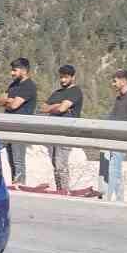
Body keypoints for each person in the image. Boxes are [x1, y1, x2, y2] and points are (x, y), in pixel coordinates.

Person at [41, 64, 83, 194]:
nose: (63, 80)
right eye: (61, 77)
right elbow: (43, 108)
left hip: (66, 132)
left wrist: (55, 107)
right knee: (55, 163)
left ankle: (65, 190)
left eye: (65, 77)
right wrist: (59, 105)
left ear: (72, 77)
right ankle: (60, 189)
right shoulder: (57, 92)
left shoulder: (75, 91)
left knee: (61, 164)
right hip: (53, 131)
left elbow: (62, 109)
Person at [0, 57, 37, 186]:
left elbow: (14, 105)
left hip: (20, 127)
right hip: (8, 126)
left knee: (18, 158)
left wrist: (8, 101)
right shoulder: (13, 85)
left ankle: (20, 183)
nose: (12, 73)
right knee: (4, 154)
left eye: (14, 70)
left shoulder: (29, 86)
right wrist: (9, 101)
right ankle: (14, 182)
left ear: (24, 70)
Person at [102, 68, 127, 202]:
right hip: (114, 138)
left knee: (114, 168)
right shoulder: (119, 98)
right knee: (113, 169)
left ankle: (112, 199)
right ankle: (117, 199)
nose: (113, 84)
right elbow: (112, 117)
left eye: (115, 81)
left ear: (123, 81)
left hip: (123, 139)